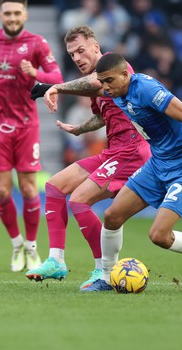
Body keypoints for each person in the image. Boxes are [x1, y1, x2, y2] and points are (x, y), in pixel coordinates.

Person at [44, 52, 182, 293]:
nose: (105, 88)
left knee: (158, 235)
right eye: (102, 82)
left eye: (109, 81)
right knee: (112, 215)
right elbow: (91, 91)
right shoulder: (115, 90)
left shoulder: (146, 89)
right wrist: (54, 90)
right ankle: (106, 277)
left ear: (126, 75)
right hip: (158, 164)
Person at [26, 26, 151, 289]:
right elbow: (102, 115)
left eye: (81, 50)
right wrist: (79, 128)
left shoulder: (115, 68)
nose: (77, 57)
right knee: (55, 186)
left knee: (79, 200)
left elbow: (96, 85)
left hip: (131, 151)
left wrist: (54, 87)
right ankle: (56, 260)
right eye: (72, 55)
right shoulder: (94, 84)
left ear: (96, 47)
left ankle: (102, 272)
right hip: (113, 150)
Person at [0, 0, 63, 272]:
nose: (12, 18)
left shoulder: (37, 44)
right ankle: (16, 244)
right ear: (0, 16)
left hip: (25, 123)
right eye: (7, 13)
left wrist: (35, 72)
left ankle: (32, 247)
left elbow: (56, 77)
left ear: (25, 15)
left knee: (29, 188)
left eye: (17, 13)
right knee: (1, 191)